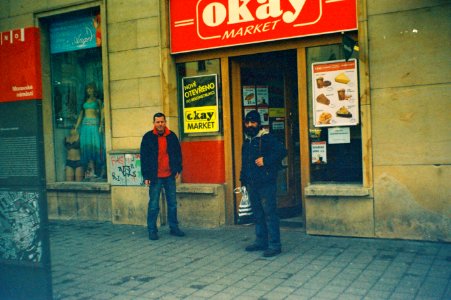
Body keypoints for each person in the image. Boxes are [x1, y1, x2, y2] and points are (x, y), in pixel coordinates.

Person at [240, 110, 287, 257]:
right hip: (252, 183)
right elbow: (244, 163)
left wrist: (265, 160)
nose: (249, 125)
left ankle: (275, 245)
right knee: (258, 214)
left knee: (269, 213)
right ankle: (261, 241)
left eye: (253, 122)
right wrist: (243, 181)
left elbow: (282, 151)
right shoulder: (247, 141)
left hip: (266, 183)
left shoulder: (267, 138)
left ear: (258, 123)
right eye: (247, 122)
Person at [140, 112, 185, 240]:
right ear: (154, 123)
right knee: (154, 204)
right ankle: (152, 230)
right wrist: (146, 176)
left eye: (162, 122)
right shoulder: (148, 137)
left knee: (173, 203)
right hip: (155, 176)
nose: (160, 124)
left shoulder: (172, 136)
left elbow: (178, 154)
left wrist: (177, 169)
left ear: (165, 122)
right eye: (158, 122)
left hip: (169, 175)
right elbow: (144, 158)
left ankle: (174, 228)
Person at [74, 83, 105, 179]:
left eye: (91, 89)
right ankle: (90, 171)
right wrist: (76, 126)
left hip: (94, 124)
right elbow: (81, 114)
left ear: (94, 90)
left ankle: (100, 171)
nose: (89, 91)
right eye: (88, 89)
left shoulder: (98, 101)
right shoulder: (84, 101)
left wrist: (101, 125)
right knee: (86, 147)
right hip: (85, 125)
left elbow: (102, 113)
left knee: (96, 146)